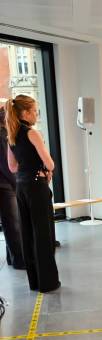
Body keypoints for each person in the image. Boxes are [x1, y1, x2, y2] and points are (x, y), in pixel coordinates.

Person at [5, 95, 60, 293]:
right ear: (26, 112)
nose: (36, 114)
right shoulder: (32, 133)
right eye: (35, 110)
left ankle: (35, 282)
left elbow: (12, 167)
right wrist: (45, 169)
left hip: (21, 188)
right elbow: (51, 163)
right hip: (37, 186)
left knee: (27, 234)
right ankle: (48, 283)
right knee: (43, 234)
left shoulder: (11, 134)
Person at [0, 107, 25, 269]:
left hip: (4, 183)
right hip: (4, 185)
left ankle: (12, 257)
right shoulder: (2, 135)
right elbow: (6, 165)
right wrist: (17, 183)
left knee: (10, 223)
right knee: (12, 224)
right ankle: (19, 260)